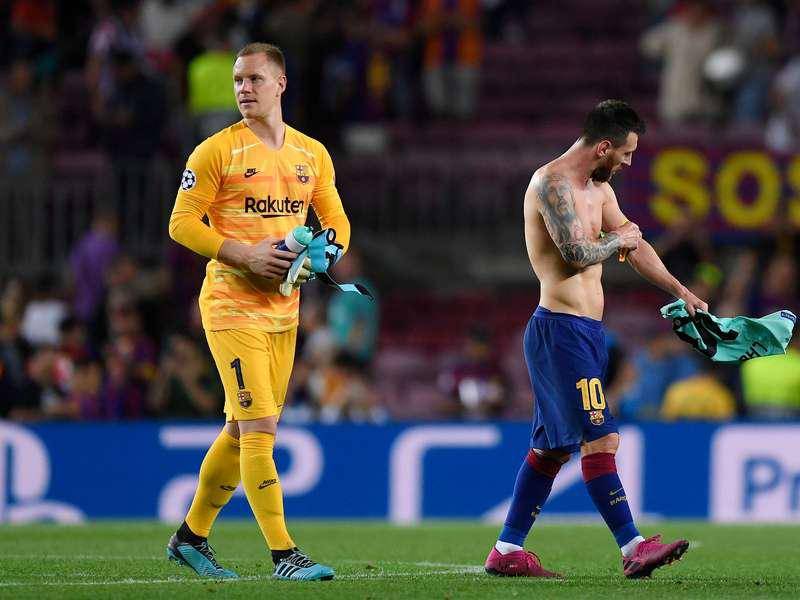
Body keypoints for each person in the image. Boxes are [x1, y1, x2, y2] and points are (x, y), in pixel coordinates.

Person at [485, 100, 708, 579]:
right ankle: (633, 546)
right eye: (626, 153)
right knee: (601, 437)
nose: (628, 163)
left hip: (585, 333)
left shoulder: (598, 188)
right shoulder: (551, 184)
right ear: (604, 146)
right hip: (559, 330)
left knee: (551, 450)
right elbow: (574, 253)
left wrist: (681, 291)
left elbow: (636, 243)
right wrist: (619, 240)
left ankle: (506, 549)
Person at [165, 42, 350, 581]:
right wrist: (244, 254)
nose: (244, 89)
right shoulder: (215, 151)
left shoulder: (311, 154)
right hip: (231, 306)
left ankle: (190, 537)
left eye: (255, 79)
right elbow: (182, 223)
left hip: (284, 310)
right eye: (238, 80)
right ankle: (284, 555)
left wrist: (325, 255)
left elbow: (335, 220)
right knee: (261, 427)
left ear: (281, 84)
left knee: (240, 429)